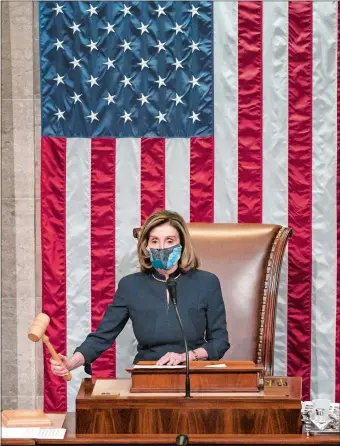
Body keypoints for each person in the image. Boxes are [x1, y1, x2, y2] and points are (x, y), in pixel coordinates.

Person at [50, 210, 230, 377]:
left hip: (195, 373)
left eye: (169, 241)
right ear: (146, 246)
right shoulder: (130, 285)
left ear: (181, 244)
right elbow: (103, 335)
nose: (161, 247)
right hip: (148, 375)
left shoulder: (207, 282)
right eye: (154, 241)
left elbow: (220, 341)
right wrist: (72, 362)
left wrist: (186, 356)